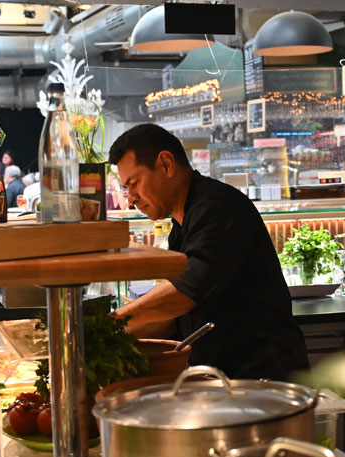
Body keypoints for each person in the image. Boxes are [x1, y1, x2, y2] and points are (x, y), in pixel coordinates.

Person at [107, 123, 309, 381]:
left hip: (264, 378)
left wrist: (113, 322)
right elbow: (177, 316)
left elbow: (187, 291)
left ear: (166, 164)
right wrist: (113, 336)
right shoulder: (181, 225)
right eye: (126, 188)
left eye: (134, 183)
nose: (131, 198)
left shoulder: (218, 207)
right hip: (226, 378)